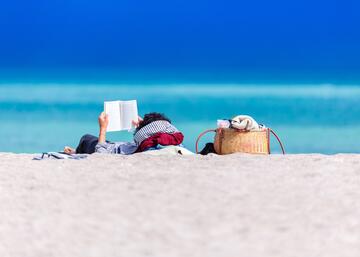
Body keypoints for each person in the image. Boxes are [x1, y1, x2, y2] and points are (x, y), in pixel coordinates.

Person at [64, 112, 184, 154]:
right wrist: (143, 125)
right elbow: (157, 131)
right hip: (125, 146)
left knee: (86, 138)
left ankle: (76, 151)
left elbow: (100, 153)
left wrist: (103, 128)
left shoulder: (146, 146)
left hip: (110, 149)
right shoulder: (172, 142)